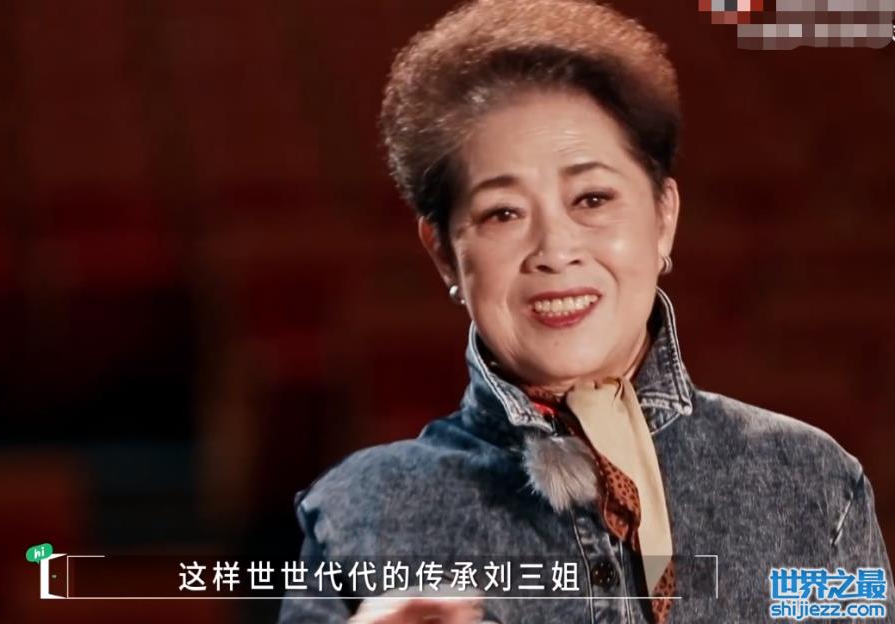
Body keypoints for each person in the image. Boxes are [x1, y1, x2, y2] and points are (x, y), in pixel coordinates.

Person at [277, 0, 894, 622]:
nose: (555, 251)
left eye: (592, 198)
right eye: (503, 213)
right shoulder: (360, 514)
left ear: (663, 218)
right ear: (443, 254)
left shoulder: (810, 482)